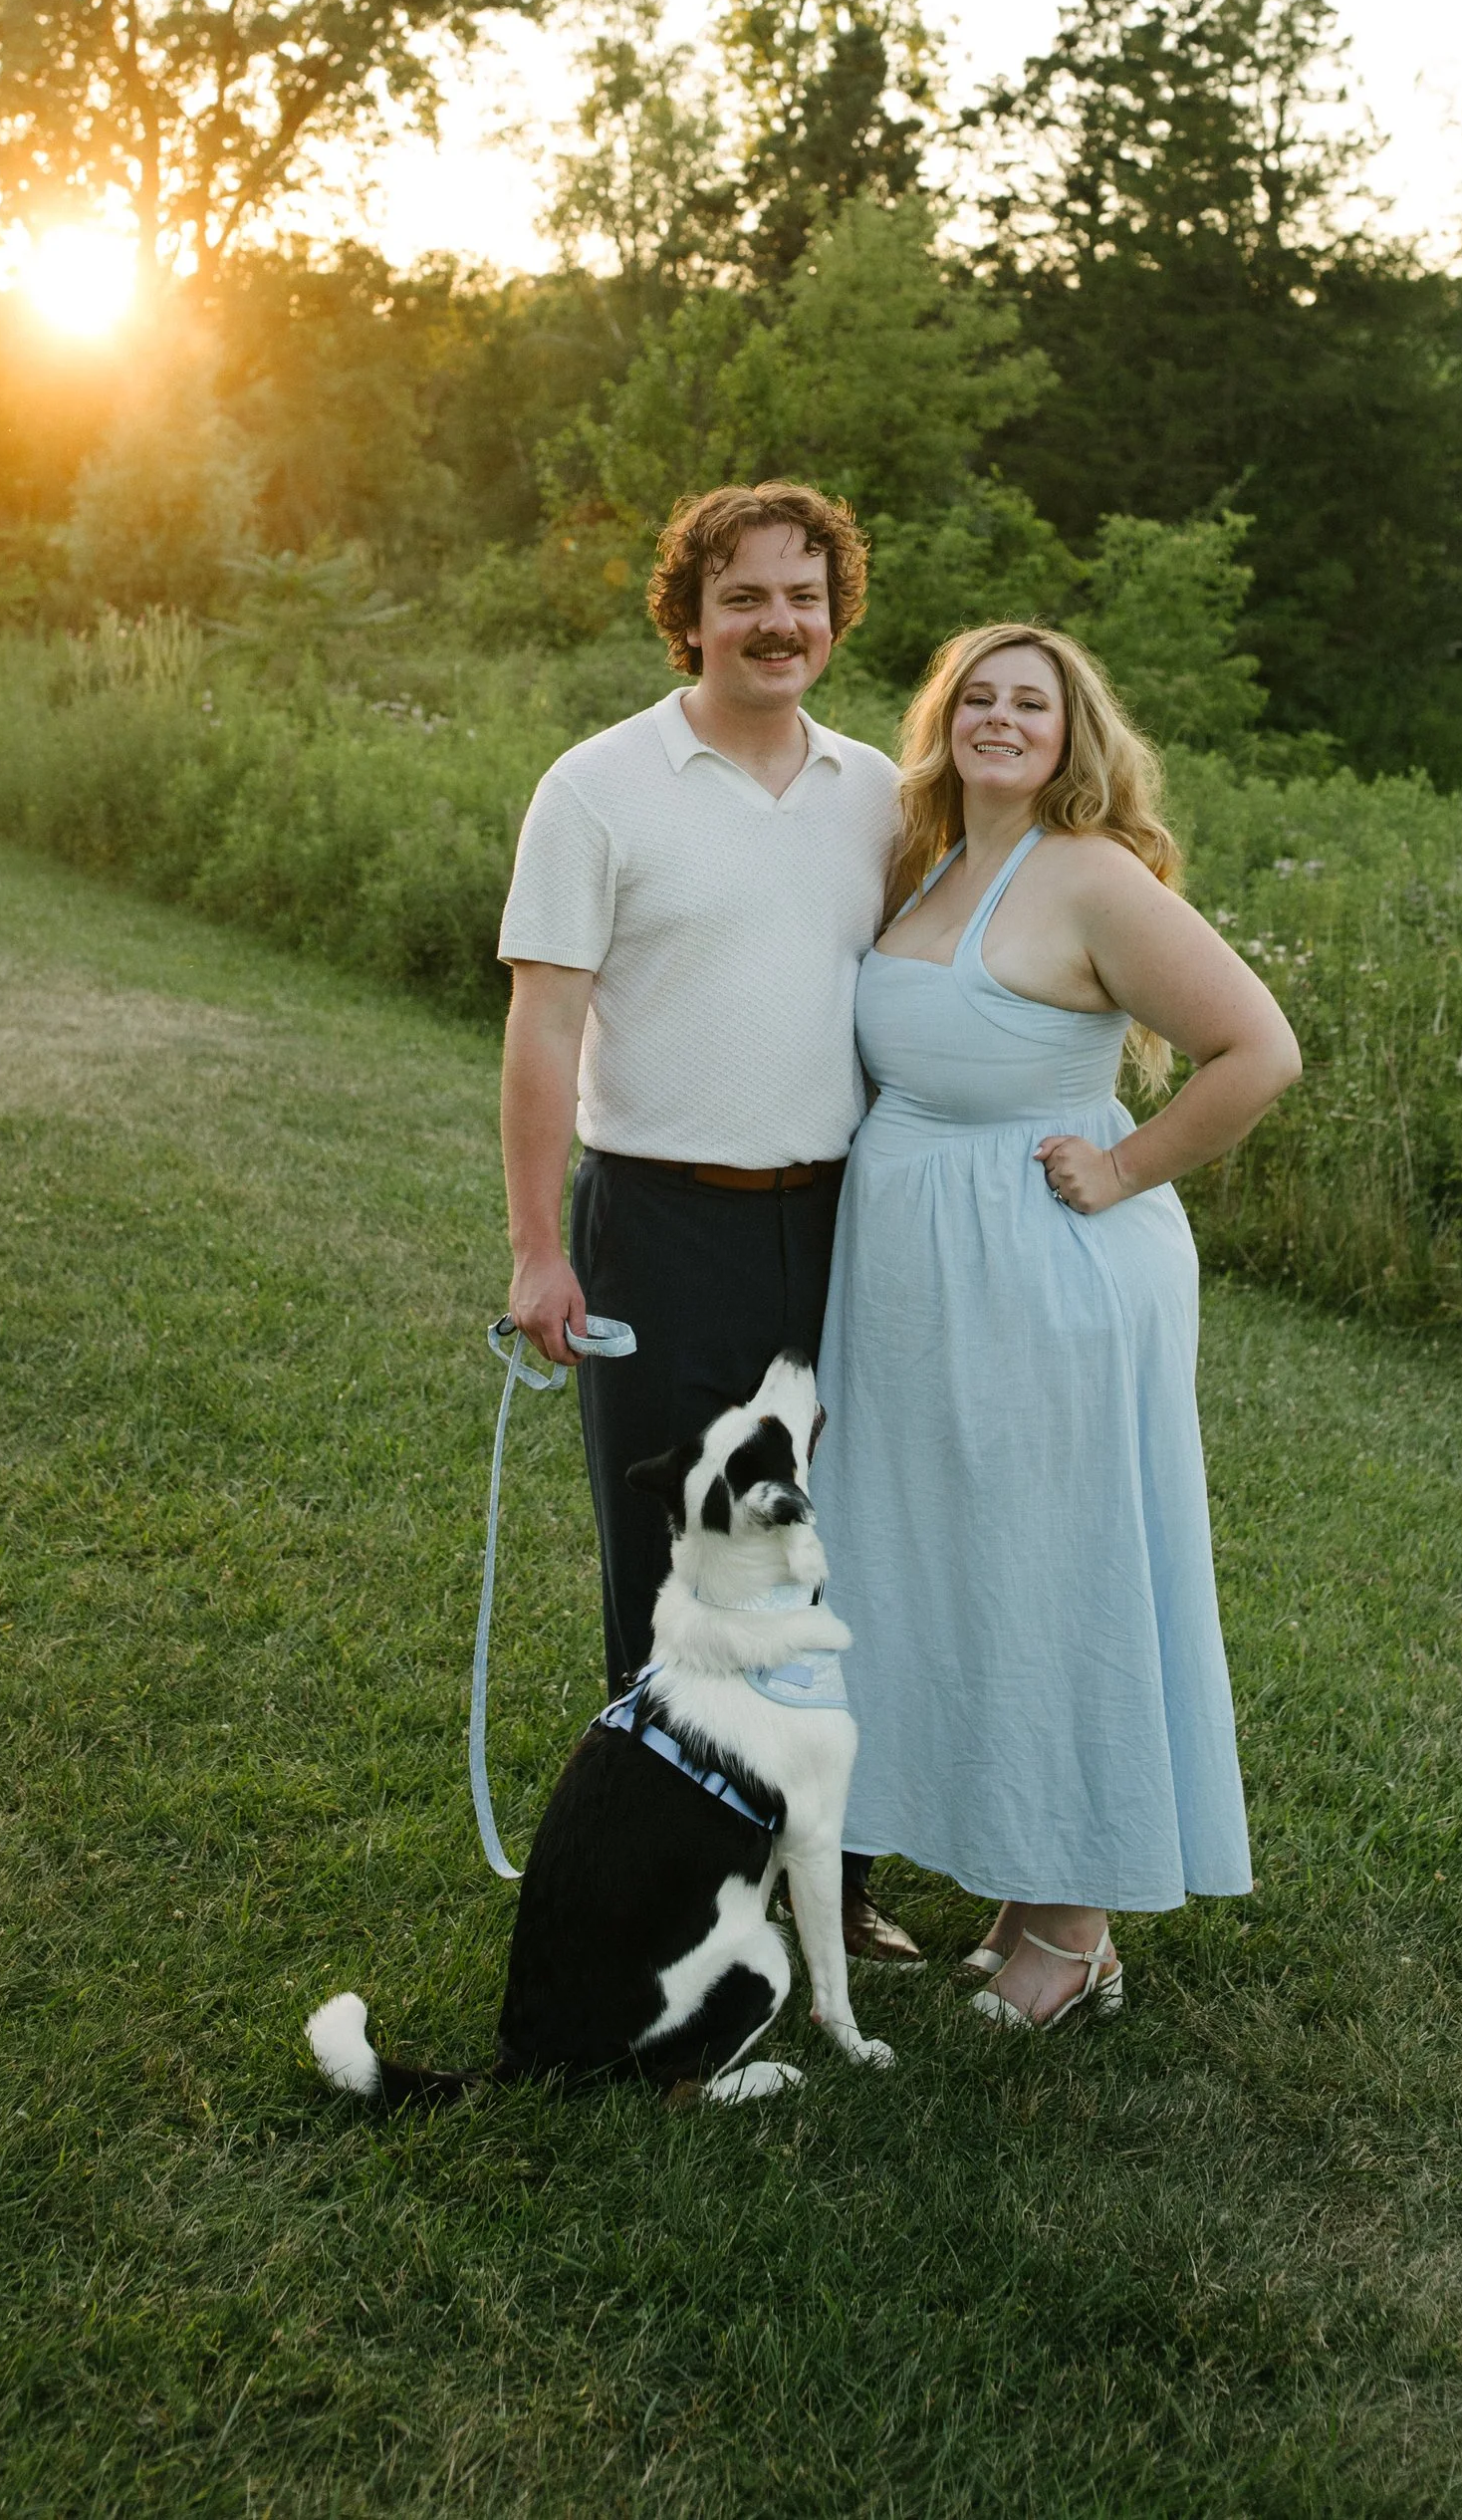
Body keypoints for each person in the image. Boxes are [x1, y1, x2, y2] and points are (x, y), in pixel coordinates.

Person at [811, 623, 1302, 2030]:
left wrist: (1127, 1164)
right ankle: (1026, 1889)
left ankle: (1078, 1931)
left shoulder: (1091, 875)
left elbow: (1260, 1049)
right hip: (923, 1279)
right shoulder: (929, 861)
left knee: (1056, 1563)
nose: (1001, 719)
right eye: (978, 696)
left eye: (1032, 702)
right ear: (942, 719)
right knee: (967, 1562)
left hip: (1047, 1270)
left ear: (1073, 732)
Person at [497, 478, 922, 1966]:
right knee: (677, 1557)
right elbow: (543, 1029)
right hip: (658, 1224)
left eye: (804, 595)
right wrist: (538, 1247)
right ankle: (680, 1885)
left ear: (836, 615)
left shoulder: (880, 793)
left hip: (844, 1224)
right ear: (689, 617)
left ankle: (837, 1876)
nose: (776, 622)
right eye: (743, 596)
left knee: (843, 1547)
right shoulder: (598, 786)